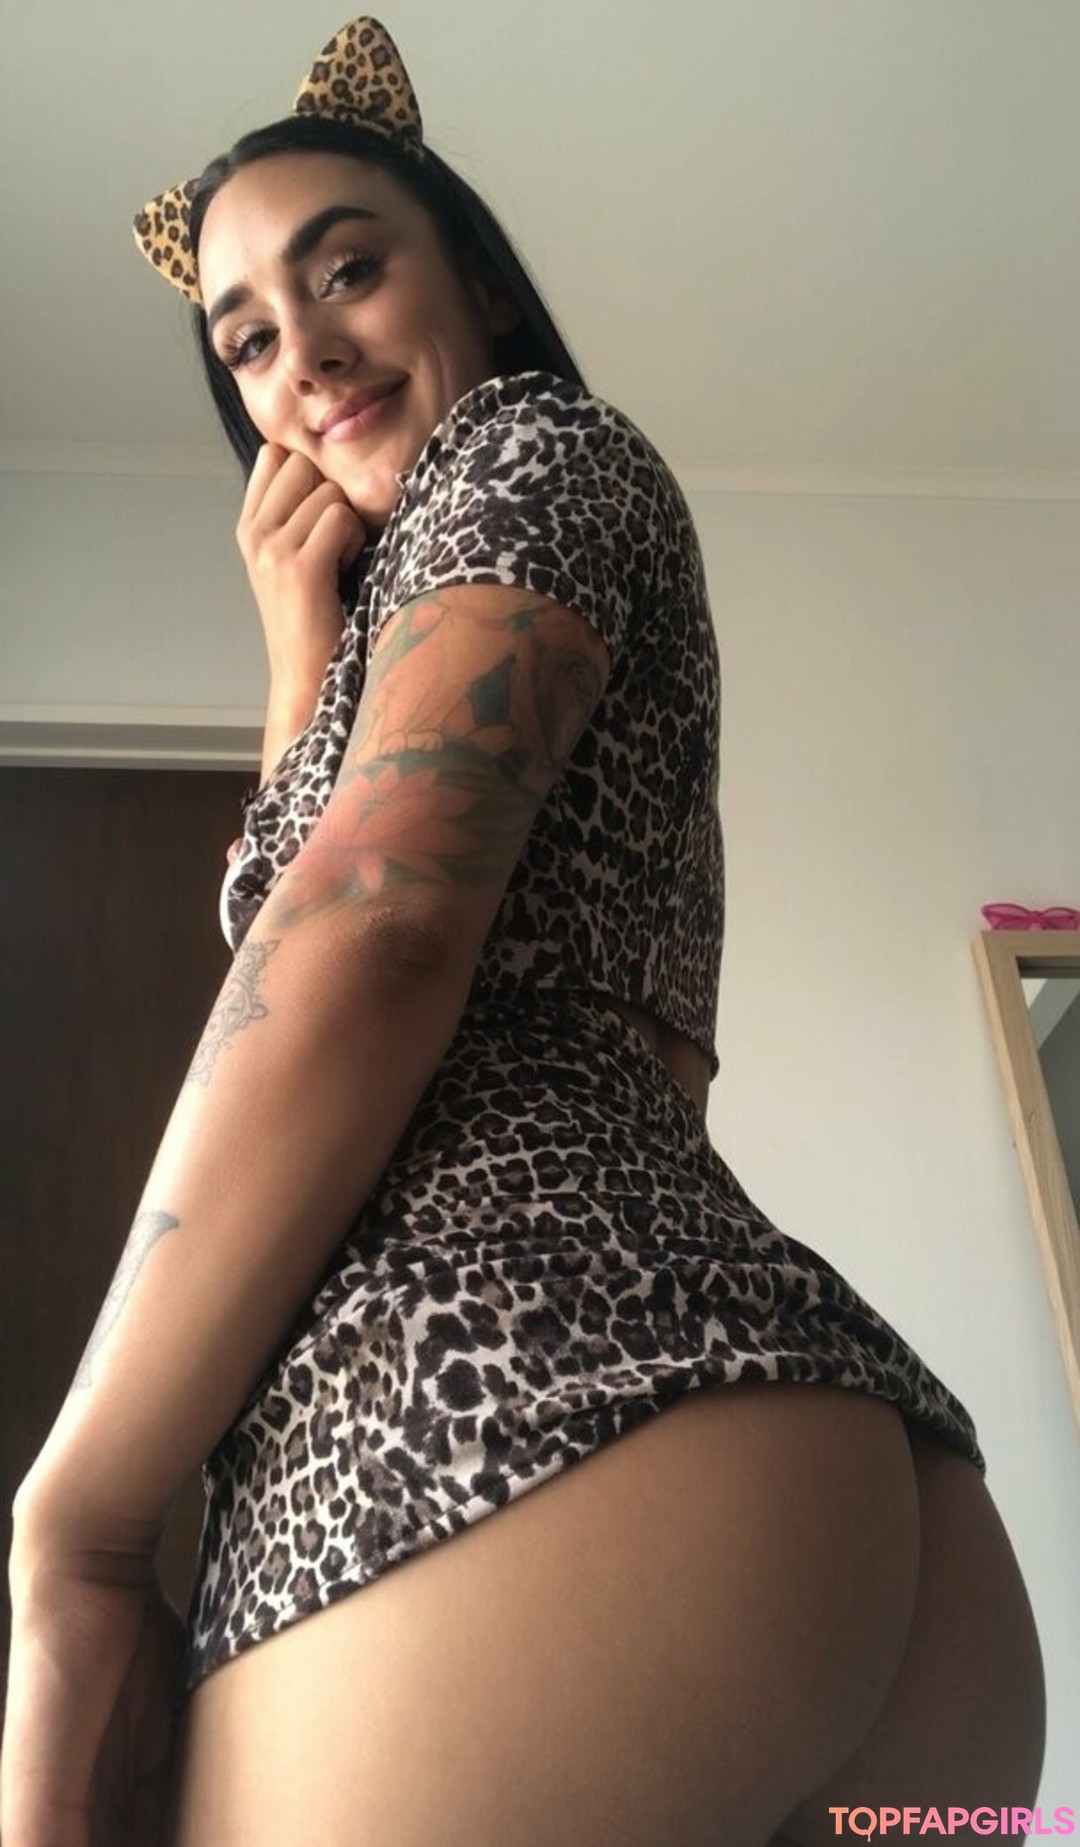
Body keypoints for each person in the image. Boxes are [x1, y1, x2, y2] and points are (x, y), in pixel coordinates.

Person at [1, 17, 1045, 1845]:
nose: (304, 351)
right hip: (818, 1502)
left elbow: (372, 926)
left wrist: (77, 1527)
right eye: (247, 338)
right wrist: (299, 643)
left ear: (475, 276)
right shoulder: (466, 567)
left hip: (494, 1432)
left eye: (346, 269)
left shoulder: (527, 446)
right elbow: (339, 905)